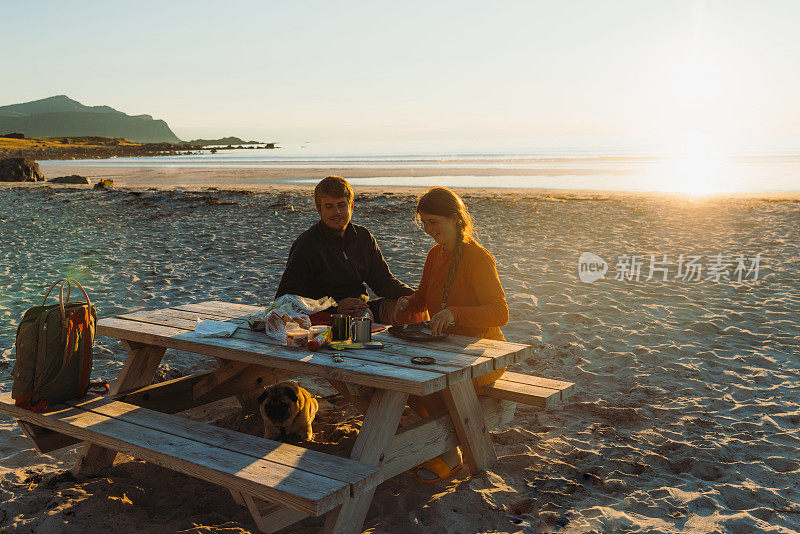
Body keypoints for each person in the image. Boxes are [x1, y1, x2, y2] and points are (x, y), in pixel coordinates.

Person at [392, 186, 509, 483]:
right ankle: (439, 445)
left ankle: (449, 454)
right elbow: (424, 295)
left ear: (455, 219)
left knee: (428, 381)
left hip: (483, 354)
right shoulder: (435, 254)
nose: (428, 230)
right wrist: (408, 304)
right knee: (404, 380)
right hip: (444, 347)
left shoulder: (478, 258)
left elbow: (500, 312)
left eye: (434, 222)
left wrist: (456, 313)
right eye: (424, 223)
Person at [276, 175, 420, 323]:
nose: (337, 212)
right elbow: (286, 299)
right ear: (319, 209)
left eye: (341, 205)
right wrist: (335, 308)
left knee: (407, 309)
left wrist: (416, 297)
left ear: (351, 206)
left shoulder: (363, 237)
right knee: (362, 317)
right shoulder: (307, 244)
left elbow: (383, 281)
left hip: (361, 308)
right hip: (322, 316)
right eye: (329, 206)